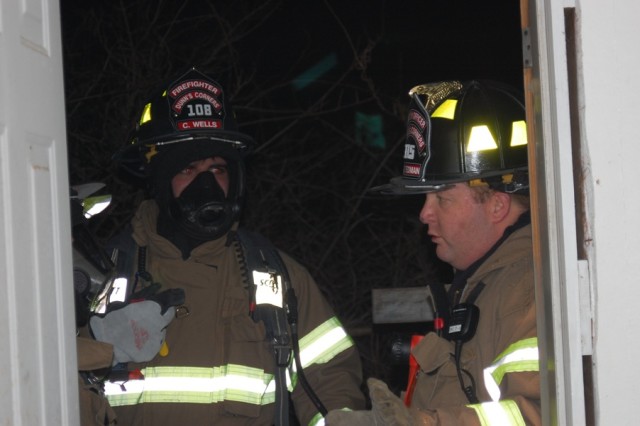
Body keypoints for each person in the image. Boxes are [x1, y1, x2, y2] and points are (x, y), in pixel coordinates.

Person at [98, 68, 365, 425]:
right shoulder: (103, 274)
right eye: (189, 169)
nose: (207, 185)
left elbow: (330, 379)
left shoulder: (273, 276)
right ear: (160, 180)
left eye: (218, 169)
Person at [326, 80, 540, 425]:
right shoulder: (481, 287)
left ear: (497, 205)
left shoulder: (526, 290)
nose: (425, 214)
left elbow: (540, 415)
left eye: (442, 198)